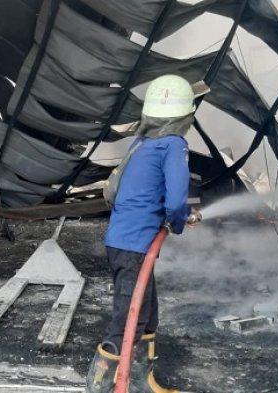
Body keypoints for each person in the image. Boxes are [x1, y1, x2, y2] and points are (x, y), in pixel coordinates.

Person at [86, 74, 202, 393]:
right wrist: (178, 222)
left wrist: (175, 218)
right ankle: (99, 385)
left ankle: (142, 382)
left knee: (147, 317)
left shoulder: (143, 143)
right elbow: (176, 200)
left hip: (124, 242)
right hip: (136, 246)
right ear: (184, 116)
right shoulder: (174, 144)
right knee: (128, 320)